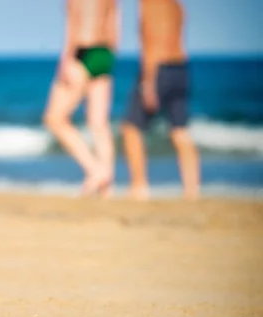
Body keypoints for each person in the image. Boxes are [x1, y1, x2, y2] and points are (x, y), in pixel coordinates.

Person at [121, 0, 200, 200]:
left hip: (159, 68)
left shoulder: (150, 3)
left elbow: (152, 37)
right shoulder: (176, 5)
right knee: (180, 130)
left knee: (131, 127)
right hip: (180, 67)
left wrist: (148, 80)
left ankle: (139, 186)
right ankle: (192, 189)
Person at [43, 0, 119, 197]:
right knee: (99, 123)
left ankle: (96, 170)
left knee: (54, 118)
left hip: (82, 50)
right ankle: (106, 189)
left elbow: (74, 24)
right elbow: (115, 29)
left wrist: (66, 59)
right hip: (105, 53)